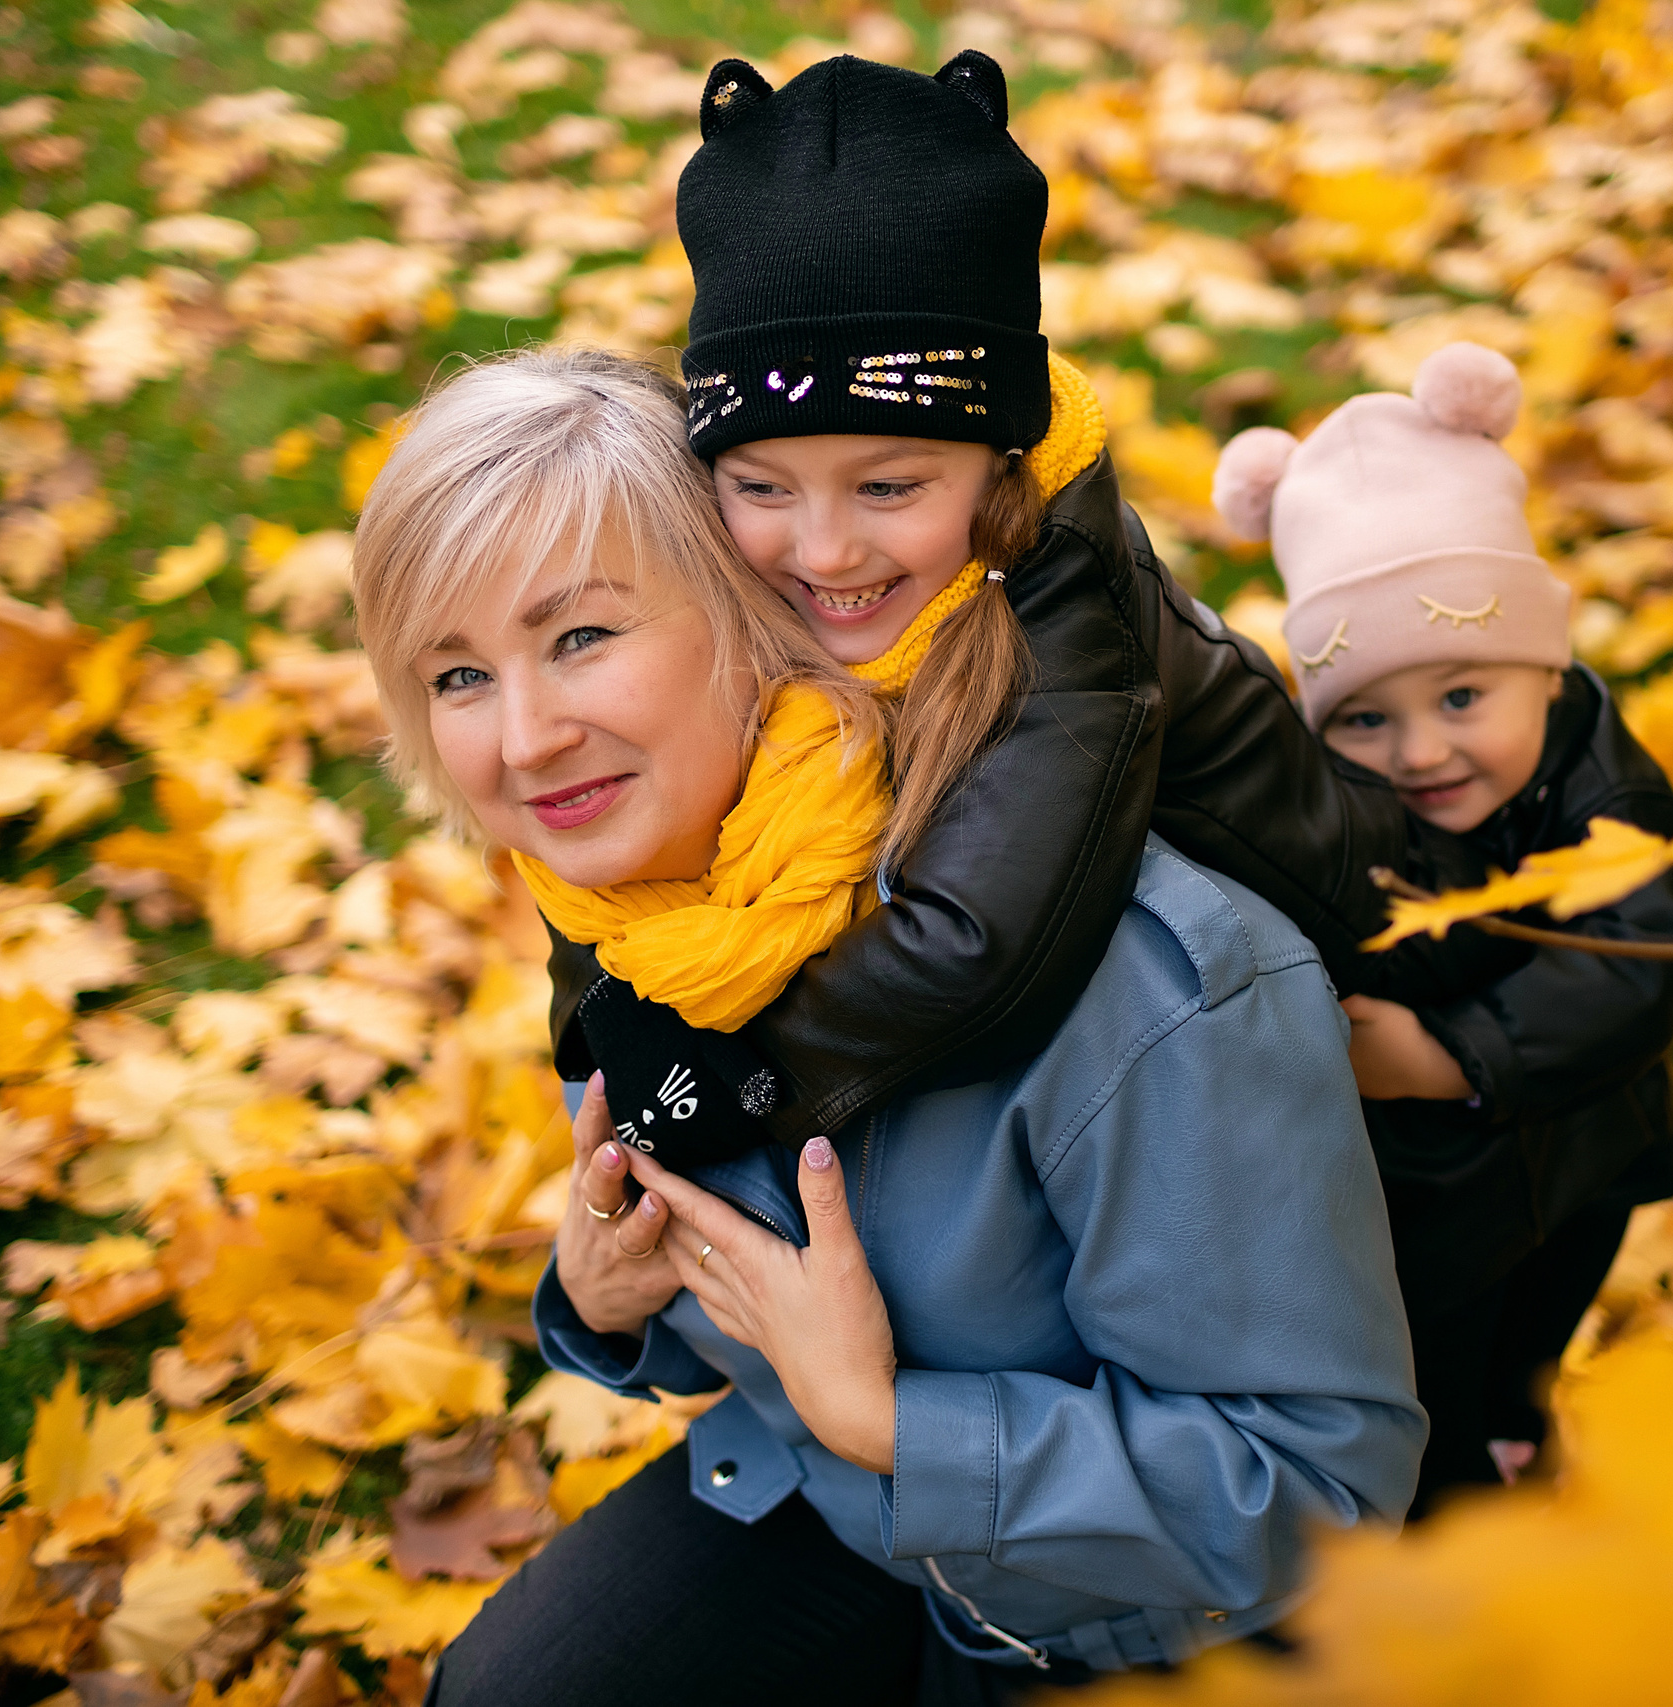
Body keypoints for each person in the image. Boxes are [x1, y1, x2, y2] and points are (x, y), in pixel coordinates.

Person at [350, 348, 1425, 1703]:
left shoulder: (1150, 976)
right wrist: (611, 1297)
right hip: (840, 1506)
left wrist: (892, 1421)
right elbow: (786, 1296)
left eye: (580, 637)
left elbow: (1321, 1489)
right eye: (454, 675)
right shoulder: (648, 912)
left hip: (1150, 1624)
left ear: (749, 612)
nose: (523, 738)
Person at [541, 47, 1503, 1145]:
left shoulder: (1069, 613)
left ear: (1003, 462)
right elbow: (618, 797)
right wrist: (604, 1009)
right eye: (762, 485)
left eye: (890, 485)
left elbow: (981, 953)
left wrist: (729, 1083)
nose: (825, 549)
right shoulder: (749, 568)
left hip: (1402, 983)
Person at [1213, 341, 1673, 1512]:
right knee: (1434, 1319)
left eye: (1462, 698)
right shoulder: (1366, 811)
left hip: (1576, 1142)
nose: (1422, 751)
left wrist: (1447, 1058)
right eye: (1366, 718)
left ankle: (1515, 1428)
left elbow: (1627, 979)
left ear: (1545, 666)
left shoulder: (1612, 802)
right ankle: (1436, 1461)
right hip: (1447, 1183)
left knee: (1545, 1296)